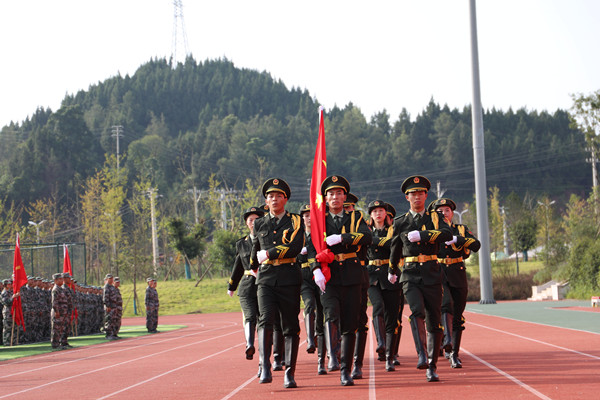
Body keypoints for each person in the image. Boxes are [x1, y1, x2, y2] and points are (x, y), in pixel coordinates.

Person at [309, 175, 373, 386]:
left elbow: (367, 237)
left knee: (349, 323)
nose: (335, 197)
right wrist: (316, 268)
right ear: (325, 198)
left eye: (338, 193)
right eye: (330, 194)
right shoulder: (320, 222)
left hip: (353, 276)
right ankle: (332, 356)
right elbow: (311, 248)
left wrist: (343, 238)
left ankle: (346, 369)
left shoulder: (355, 218)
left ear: (344, 196)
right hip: (329, 276)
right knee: (330, 314)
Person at [389, 175, 452, 382]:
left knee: (434, 320)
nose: (417, 197)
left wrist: (424, 236)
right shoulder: (401, 221)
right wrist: (392, 269)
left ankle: (432, 365)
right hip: (410, 273)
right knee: (416, 312)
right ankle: (422, 354)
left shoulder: (434, 217)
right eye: (413, 194)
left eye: (420, 193)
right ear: (407, 197)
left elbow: (446, 234)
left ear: (426, 195)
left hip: (432, 272)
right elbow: (395, 248)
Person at [251, 178, 304, 389]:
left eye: (278, 196)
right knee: (265, 320)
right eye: (271, 196)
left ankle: (289, 372)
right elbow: (255, 249)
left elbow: (294, 247)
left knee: (290, 325)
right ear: (266, 200)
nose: (274, 199)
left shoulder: (295, 221)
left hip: (289, 277)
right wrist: (252, 268)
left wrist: (270, 253)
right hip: (265, 279)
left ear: (285, 199)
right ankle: (265, 366)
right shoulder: (259, 223)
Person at [430, 198, 480, 368]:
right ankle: (447, 340)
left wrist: (459, 240)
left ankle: (454, 353)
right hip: (438, 272)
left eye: (447, 210)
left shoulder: (460, 229)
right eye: (440, 211)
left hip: (457, 273)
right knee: (446, 304)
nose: (444, 213)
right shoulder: (432, 230)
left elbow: (476, 244)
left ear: (452, 213)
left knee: (458, 314)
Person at [366, 200, 402, 372]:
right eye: (375, 211)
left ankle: (390, 355)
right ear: (371, 215)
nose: (378, 214)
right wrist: (379, 241)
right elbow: (365, 243)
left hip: (391, 273)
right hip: (371, 274)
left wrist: (374, 241)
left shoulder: (393, 229)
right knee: (377, 306)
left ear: (386, 214)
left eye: (381, 211)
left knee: (392, 316)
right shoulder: (365, 230)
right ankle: (381, 343)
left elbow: (395, 244)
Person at [227, 206, 265, 360]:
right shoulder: (241, 243)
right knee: (249, 316)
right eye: (250, 220)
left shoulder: (267, 239)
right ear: (246, 224)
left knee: (264, 319)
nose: (253, 223)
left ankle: (268, 351)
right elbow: (238, 265)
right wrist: (232, 286)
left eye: (257, 220)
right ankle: (249, 344)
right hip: (247, 285)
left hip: (265, 284)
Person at [298, 204, 328, 375]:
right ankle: (310, 339)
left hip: (321, 276)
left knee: (323, 317)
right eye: (306, 215)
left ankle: (321, 361)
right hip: (303, 277)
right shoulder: (298, 235)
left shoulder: (320, 234)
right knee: (309, 304)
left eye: (311, 215)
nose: (309, 218)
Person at [344, 193, 369, 380]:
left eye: (349, 207)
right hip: (336, 275)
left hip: (358, 274)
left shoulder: (360, 223)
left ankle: (357, 363)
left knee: (359, 320)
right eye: (345, 208)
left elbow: (368, 239)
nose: (347, 211)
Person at [50, 273, 67, 350]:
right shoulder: (55, 289)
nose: (62, 280)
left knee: (60, 328)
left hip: (62, 312)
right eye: (60, 279)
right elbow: (54, 302)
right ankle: (55, 344)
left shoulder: (61, 289)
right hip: (58, 312)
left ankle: (59, 343)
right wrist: (57, 311)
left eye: (61, 279)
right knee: (56, 328)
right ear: (56, 280)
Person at [102, 274, 119, 340]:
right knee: (109, 320)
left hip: (114, 306)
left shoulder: (112, 287)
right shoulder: (106, 287)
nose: (111, 280)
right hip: (109, 307)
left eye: (112, 278)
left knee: (113, 320)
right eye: (110, 278)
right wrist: (107, 305)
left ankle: (113, 334)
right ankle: (108, 334)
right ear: (107, 279)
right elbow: (105, 297)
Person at [61, 273, 74, 347]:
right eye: (68, 278)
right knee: (63, 326)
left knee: (67, 327)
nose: (69, 279)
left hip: (68, 310)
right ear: (65, 279)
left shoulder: (68, 288)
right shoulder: (63, 288)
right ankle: (62, 342)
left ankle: (65, 341)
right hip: (64, 311)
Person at [1, 279, 14, 346]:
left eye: (10, 284)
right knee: (7, 328)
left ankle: (11, 341)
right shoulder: (4, 293)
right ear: (5, 285)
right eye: (8, 284)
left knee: (11, 327)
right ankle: (6, 342)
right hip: (7, 312)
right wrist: (13, 297)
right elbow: (5, 302)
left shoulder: (9, 292)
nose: (10, 285)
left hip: (11, 311)